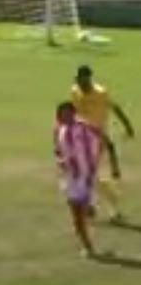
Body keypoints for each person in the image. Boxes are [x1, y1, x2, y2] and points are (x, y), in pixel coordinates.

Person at [71, 65, 135, 223]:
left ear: (89, 79)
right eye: (79, 80)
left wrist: (128, 126)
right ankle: (101, 207)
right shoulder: (75, 91)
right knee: (86, 175)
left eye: (84, 81)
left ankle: (101, 207)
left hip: (97, 138)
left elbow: (115, 108)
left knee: (87, 174)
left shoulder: (101, 93)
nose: (81, 84)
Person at [54, 101, 102, 257]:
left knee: (78, 216)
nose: (64, 116)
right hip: (70, 177)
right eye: (61, 113)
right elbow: (59, 150)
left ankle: (88, 247)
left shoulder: (83, 128)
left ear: (73, 112)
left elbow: (97, 147)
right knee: (77, 214)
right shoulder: (61, 129)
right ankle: (87, 214)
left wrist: (90, 173)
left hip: (84, 177)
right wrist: (61, 160)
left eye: (67, 113)